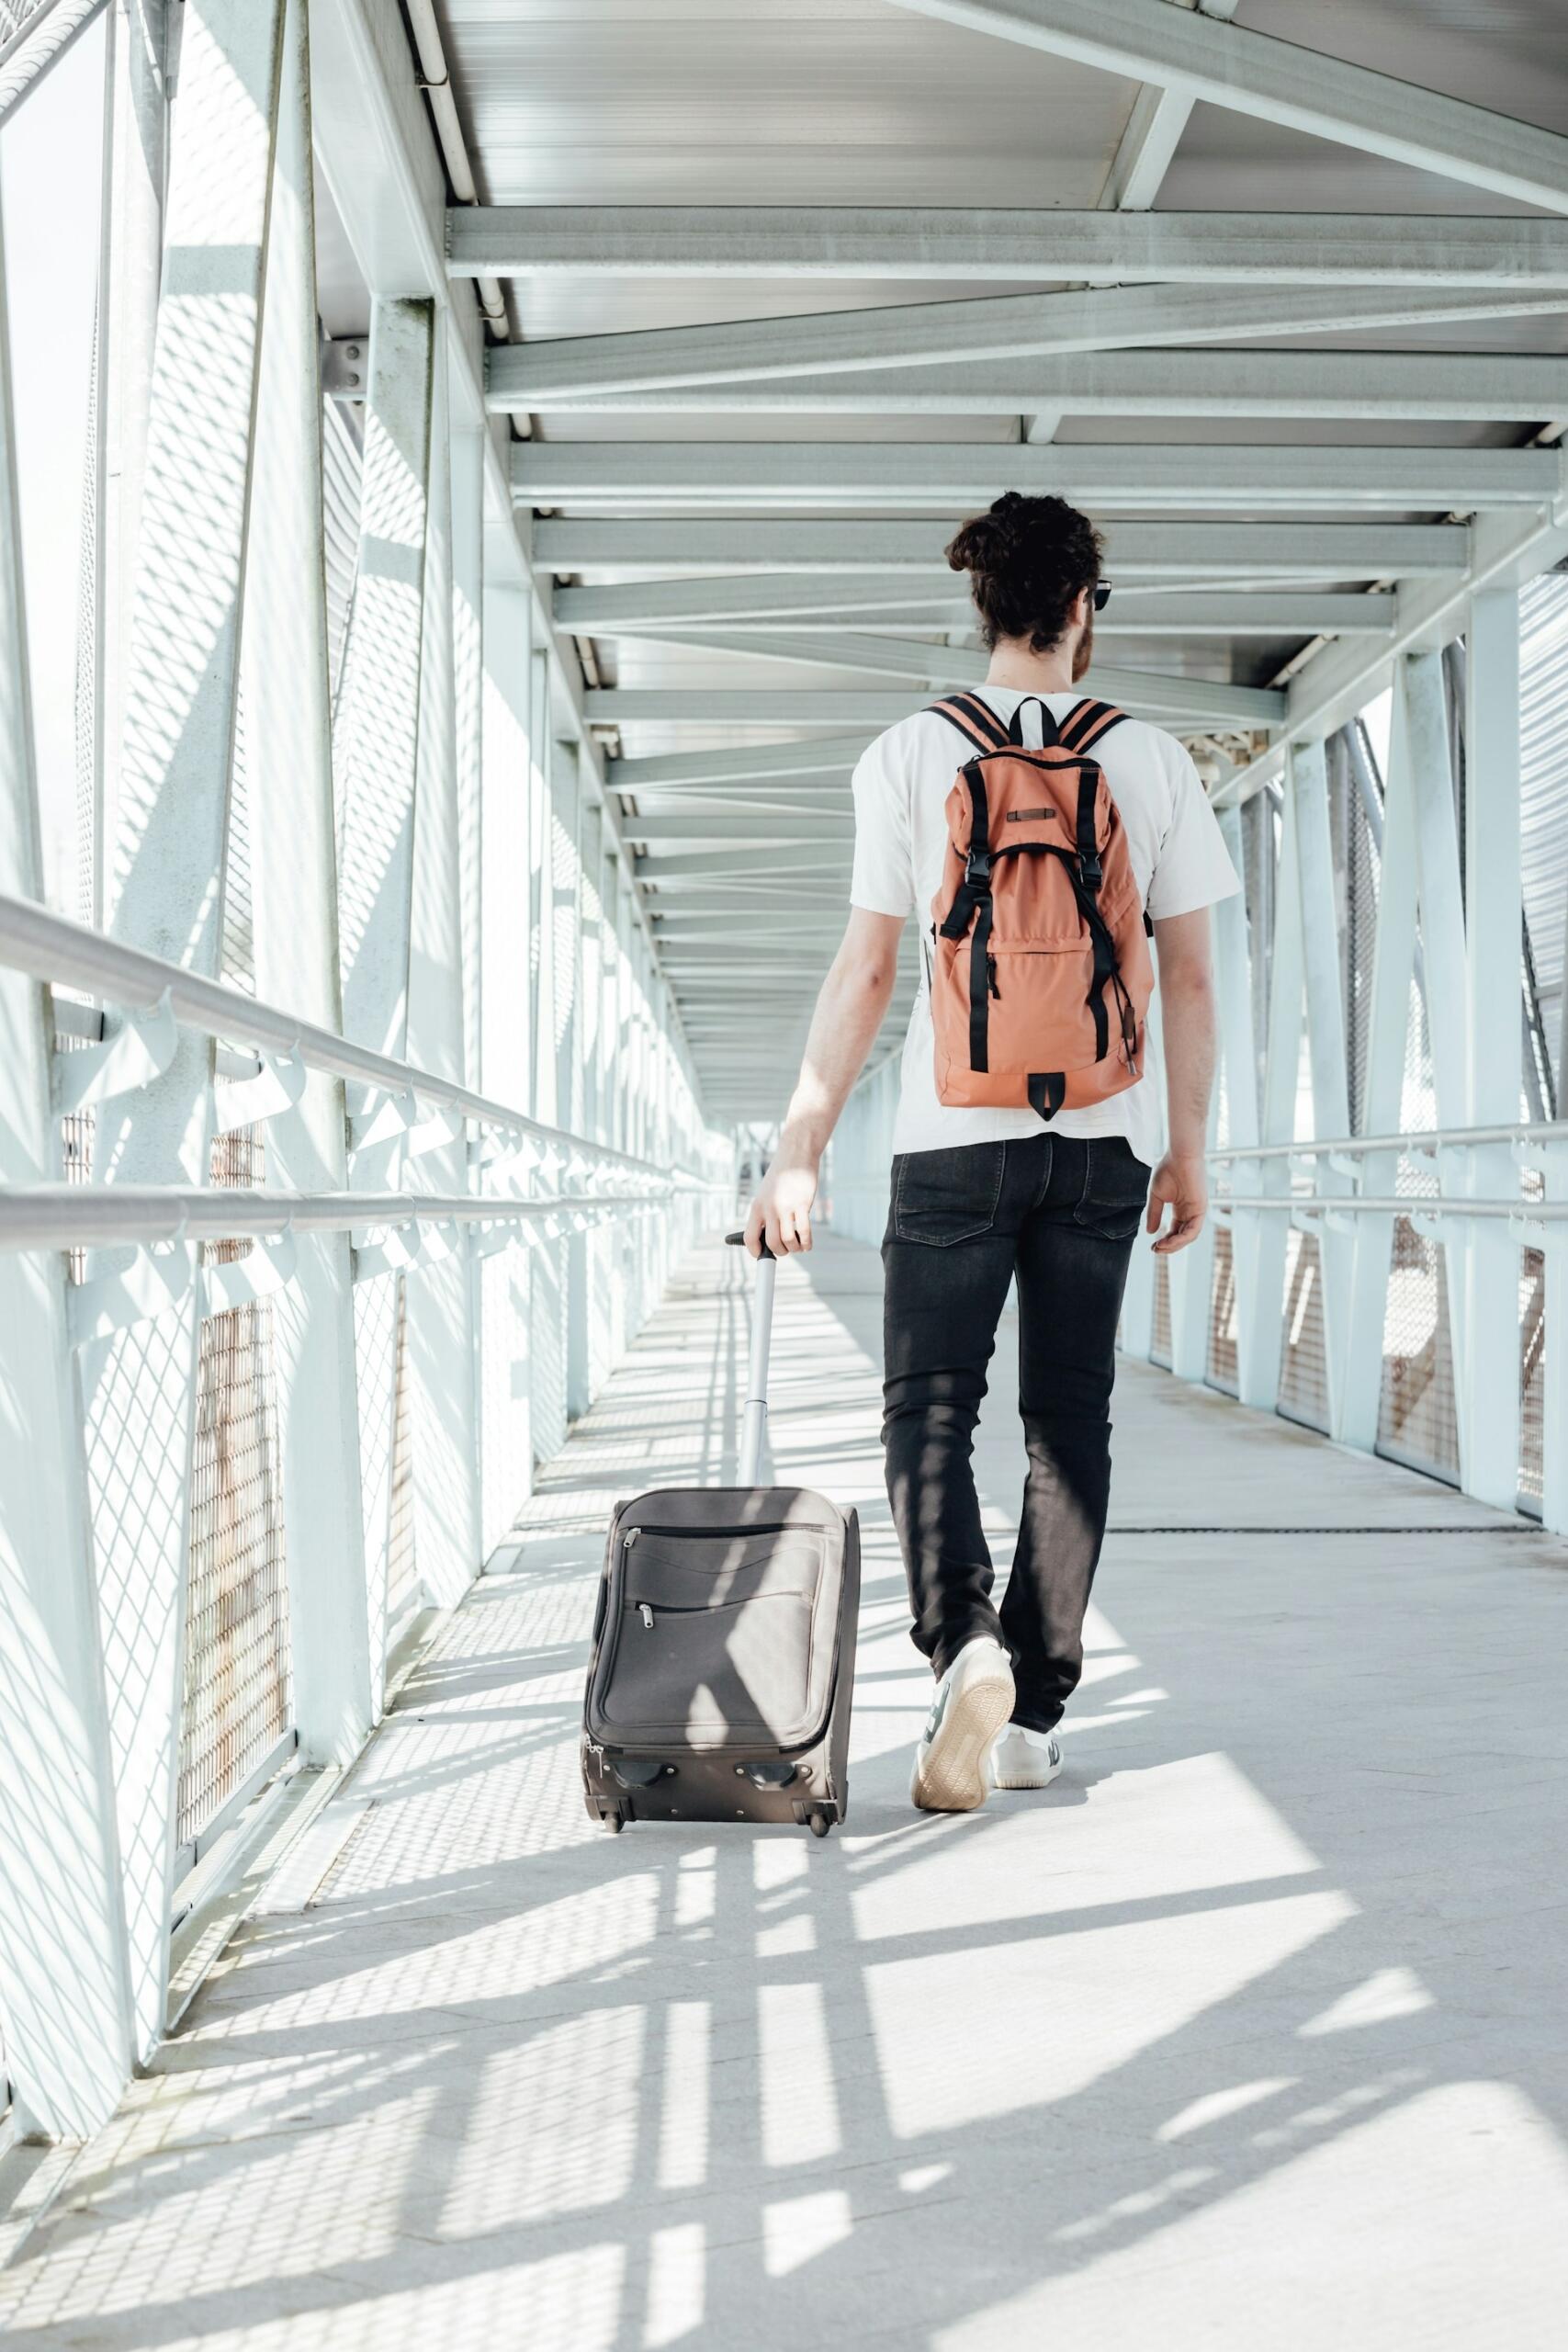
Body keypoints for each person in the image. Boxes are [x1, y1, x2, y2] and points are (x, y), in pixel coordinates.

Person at [743, 491, 1240, 1814]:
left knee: (931, 1409)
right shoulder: (1152, 761)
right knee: (1067, 1422)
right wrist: (1188, 1150)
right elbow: (1188, 981)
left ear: (982, 607)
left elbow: (864, 972)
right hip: (1105, 1136)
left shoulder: (908, 754)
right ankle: (1036, 1708)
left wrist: (801, 1148)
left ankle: (963, 1644)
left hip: (950, 1136)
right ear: (1083, 609)